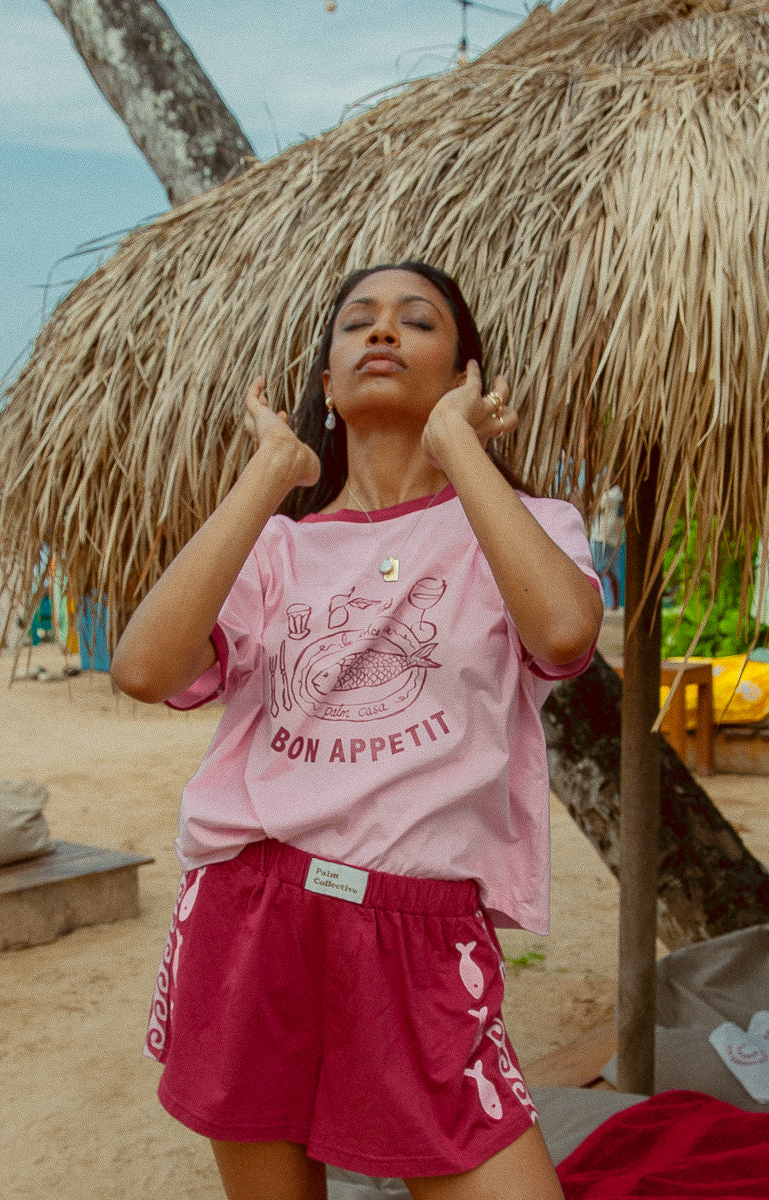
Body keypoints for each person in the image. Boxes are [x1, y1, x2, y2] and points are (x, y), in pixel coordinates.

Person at [111, 262, 603, 1200]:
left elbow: (565, 633)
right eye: (357, 324)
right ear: (328, 386)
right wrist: (270, 474)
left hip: (420, 929)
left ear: (465, 375)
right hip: (252, 908)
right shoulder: (275, 548)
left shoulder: (529, 528)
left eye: (416, 322)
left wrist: (458, 448)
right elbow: (142, 669)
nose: (383, 332)